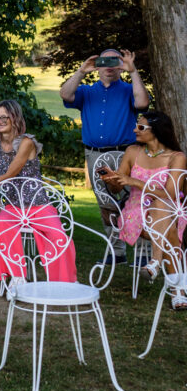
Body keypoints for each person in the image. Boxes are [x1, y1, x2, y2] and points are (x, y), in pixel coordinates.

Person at [0, 100, 76, 284]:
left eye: (4, 117)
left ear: (14, 118)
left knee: (60, 236)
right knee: (0, 226)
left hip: (37, 205)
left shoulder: (26, 142)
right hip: (13, 206)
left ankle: (64, 281)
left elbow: (10, 174)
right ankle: (16, 277)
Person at [60, 49, 149, 264]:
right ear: (97, 65)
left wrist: (133, 70)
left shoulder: (128, 89)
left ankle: (143, 252)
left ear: (121, 65)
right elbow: (65, 94)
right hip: (95, 155)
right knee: (106, 202)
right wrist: (82, 70)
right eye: (104, 61)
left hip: (125, 154)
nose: (109, 65)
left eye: (114, 61)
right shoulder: (87, 92)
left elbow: (143, 103)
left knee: (136, 198)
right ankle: (116, 251)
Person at [99, 111, 187, 307]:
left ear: (157, 131)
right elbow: (118, 187)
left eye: (141, 127)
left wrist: (135, 181)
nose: (134, 130)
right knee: (169, 230)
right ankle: (177, 290)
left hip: (169, 210)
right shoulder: (132, 152)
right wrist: (114, 181)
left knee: (162, 204)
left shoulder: (177, 157)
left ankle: (156, 261)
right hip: (136, 211)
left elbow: (171, 194)